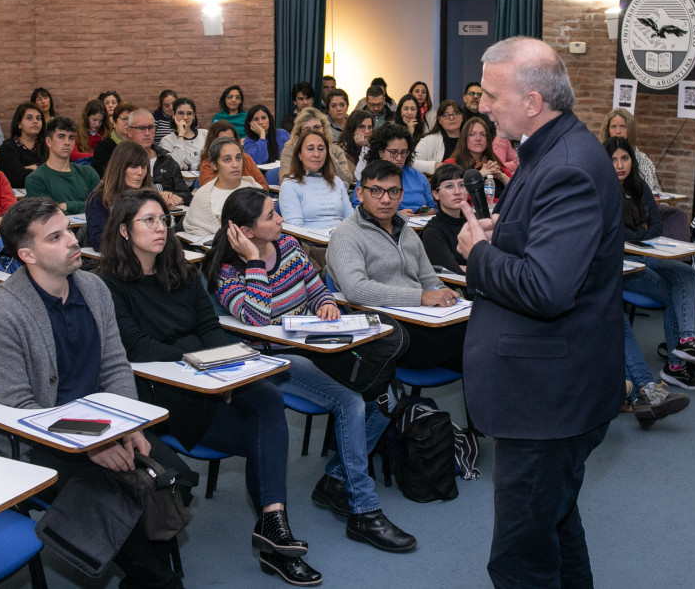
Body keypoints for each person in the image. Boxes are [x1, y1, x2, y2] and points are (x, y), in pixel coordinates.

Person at [454, 37, 623, 588]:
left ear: (531, 100)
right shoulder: (552, 146)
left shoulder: (567, 164)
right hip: (552, 391)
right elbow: (550, 240)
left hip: (547, 399)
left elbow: (547, 289)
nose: (481, 106)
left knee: (521, 559)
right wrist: (511, 230)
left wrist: (479, 255)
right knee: (554, 526)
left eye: (490, 94)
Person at [98, 190, 321, 586]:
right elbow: (136, 347)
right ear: (123, 232)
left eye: (163, 219)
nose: (159, 228)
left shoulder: (182, 270)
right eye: (147, 221)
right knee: (263, 435)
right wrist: (198, 359)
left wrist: (226, 368)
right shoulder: (109, 284)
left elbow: (210, 328)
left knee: (267, 396)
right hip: (164, 395)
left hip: (209, 378)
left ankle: (273, 524)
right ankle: (275, 538)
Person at [0, 195, 183, 589]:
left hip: (98, 423)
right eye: (55, 237)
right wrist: (93, 445)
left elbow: (115, 366)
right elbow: (22, 409)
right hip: (36, 440)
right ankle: (157, 581)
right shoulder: (1, 314)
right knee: (121, 492)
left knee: (171, 476)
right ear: (27, 254)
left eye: (68, 229)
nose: (72, 240)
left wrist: (129, 426)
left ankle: (145, 576)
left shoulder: (93, 288)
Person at [205, 187, 416, 553]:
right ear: (246, 231)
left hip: (318, 345)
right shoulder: (227, 272)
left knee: (387, 393)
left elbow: (318, 290)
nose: (282, 221)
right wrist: (254, 260)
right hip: (275, 361)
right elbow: (256, 316)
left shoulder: (288, 247)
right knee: (349, 403)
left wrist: (325, 308)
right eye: (272, 216)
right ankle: (364, 511)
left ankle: (336, 478)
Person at [328, 159, 465, 373]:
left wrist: (455, 301)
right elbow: (356, 289)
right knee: (478, 344)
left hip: (425, 320)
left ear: (401, 195)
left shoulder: (407, 231)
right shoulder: (346, 234)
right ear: (360, 194)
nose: (385, 199)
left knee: (481, 341)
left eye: (393, 192)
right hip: (389, 330)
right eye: (376, 191)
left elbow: (431, 281)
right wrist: (421, 297)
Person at [607, 136, 695, 390]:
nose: (620, 165)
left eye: (625, 158)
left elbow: (656, 224)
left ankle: (687, 341)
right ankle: (676, 367)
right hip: (622, 265)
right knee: (674, 294)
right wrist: (639, 233)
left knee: (686, 273)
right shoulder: (602, 190)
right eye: (613, 160)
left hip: (648, 254)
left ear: (632, 160)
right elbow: (613, 232)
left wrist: (638, 234)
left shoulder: (639, 187)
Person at [183, 137, 259, 238]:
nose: (235, 165)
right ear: (214, 165)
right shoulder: (203, 197)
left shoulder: (255, 189)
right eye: (227, 160)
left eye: (238, 158)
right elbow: (195, 229)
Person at [351, 124, 435, 214]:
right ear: (381, 152)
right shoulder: (370, 176)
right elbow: (357, 208)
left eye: (403, 152)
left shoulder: (419, 177)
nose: (399, 158)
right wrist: (395, 216)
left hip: (421, 225)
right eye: (393, 152)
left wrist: (431, 211)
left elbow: (434, 206)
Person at [85, 141, 154, 249]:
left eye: (144, 167)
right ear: (119, 168)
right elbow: (98, 241)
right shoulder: (98, 198)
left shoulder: (150, 197)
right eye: (134, 167)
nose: (140, 172)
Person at [25, 116, 101, 214]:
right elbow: (48, 214)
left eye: (71, 138)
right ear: (49, 142)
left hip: (92, 228)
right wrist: (86, 205)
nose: (67, 143)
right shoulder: (35, 179)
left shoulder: (89, 172)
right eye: (61, 137)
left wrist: (68, 206)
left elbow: (102, 205)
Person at [279, 128, 351, 229]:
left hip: (342, 240)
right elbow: (296, 228)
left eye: (321, 149)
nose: (316, 154)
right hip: (310, 243)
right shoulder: (290, 185)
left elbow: (350, 219)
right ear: (299, 155)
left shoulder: (336, 181)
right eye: (310, 149)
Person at [121, 108, 191, 206]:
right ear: (129, 131)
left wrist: (173, 197)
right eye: (141, 128)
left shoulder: (166, 159)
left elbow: (186, 194)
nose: (147, 133)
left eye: (150, 127)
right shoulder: (121, 160)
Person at [279, 108, 355, 186]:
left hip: (329, 194)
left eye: (317, 127)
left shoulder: (336, 150)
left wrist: (327, 153)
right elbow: (284, 181)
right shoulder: (290, 149)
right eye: (307, 129)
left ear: (324, 129)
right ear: (299, 132)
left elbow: (347, 179)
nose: (313, 132)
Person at [420, 164, 469, 274]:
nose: (457, 191)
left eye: (462, 185)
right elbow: (451, 270)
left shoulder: (474, 221)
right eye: (449, 186)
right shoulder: (432, 232)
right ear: (436, 194)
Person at [445, 116, 510, 196]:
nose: (478, 138)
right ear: (464, 139)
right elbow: (451, 196)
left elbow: (519, 191)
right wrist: (479, 176)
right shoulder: (451, 164)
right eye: (472, 134)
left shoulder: (493, 163)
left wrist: (501, 176)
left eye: (483, 134)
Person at [197, 121, 270, 190]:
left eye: (231, 139)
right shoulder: (208, 164)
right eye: (223, 140)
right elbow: (212, 191)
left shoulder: (246, 158)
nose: (229, 143)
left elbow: (263, 186)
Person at [601, 107, 659, 192]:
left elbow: (654, 193)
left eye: (622, 126)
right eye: (613, 126)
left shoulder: (643, 160)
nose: (618, 131)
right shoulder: (600, 158)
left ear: (630, 130)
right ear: (608, 131)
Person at [0, 102, 47, 189]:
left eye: (38, 118)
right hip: (18, 199)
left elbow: (58, 170)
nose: (35, 121)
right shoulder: (7, 148)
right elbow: (15, 178)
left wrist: (31, 168)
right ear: (19, 124)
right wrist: (42, 169)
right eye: (29, 118)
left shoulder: (48, 145)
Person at [412, 100, 464, 175]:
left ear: (462, 117)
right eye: (446, 115)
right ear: (439, 120)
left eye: (455, 113)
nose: (451, 118)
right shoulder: (429, 140)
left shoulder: (470, 139)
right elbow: (412, 163)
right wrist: (435, 166)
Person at [158, 98, 207, 171]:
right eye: (180, 113)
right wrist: (181, 135)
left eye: (189, 113)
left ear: (194, 116)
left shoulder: (205, 134)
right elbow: (174, 167)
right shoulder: (166, 140)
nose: (185, 117)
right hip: (181, 181)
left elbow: (213, 162)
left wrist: (188, 167)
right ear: (173, 115)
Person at [90, 101, 134, 177]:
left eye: (131, 119)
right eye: (125, 119)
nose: (128, 123)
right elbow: (99, 175)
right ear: (114, 122)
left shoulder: (138, 145)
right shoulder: (104, 147)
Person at [337, 109, 373, 181]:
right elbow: (357, 178)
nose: (367, 131)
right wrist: (364, 149)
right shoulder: (341, 150)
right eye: (361, 127)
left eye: (369, 127)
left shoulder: (374, 146)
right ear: (352, 129)